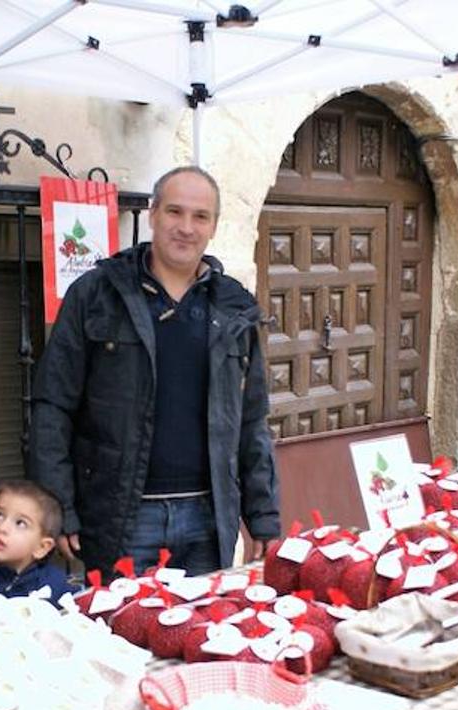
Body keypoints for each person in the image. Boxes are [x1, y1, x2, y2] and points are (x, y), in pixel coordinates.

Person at [29, 165, 280, 578]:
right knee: (119, 637)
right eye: (174, 212)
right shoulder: (96, 295)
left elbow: (251, 420)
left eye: (200, 216)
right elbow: (53, 406)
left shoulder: (234, 308)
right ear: (152, 214)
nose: (186, 227)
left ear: (214, 226)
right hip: (122, 517)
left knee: (200, 635)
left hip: (207, 517)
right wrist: (58, 505)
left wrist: (263, 516)